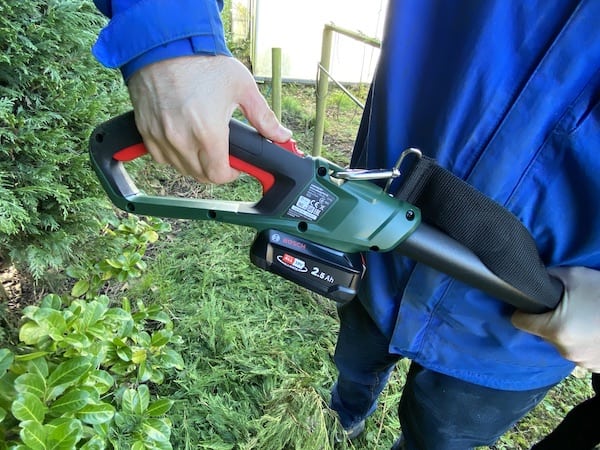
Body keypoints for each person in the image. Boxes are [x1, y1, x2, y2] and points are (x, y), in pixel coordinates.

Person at [92, 1, 600, 449]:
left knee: (443, 435)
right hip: (375, 255)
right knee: (354, 366)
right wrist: (172, 35)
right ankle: (346, 415)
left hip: (523, 331)